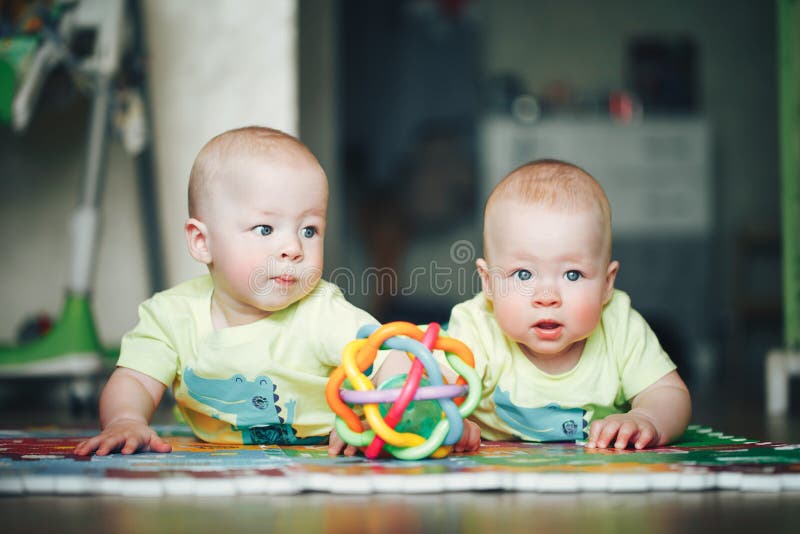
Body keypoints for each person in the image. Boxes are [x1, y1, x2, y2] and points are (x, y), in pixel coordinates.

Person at [75, 126, 392, 455]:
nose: (293, 248)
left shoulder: (322, 311)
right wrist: (125, 420)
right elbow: (136, 380)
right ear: (203, 242)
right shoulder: (173, 315)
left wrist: (383, 417)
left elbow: (391, 355)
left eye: (309, 230)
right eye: (265, 228)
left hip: (330, 445)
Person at [444, 159, 691, 450]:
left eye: (572, 274)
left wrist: (647, 417)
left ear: (606, 284)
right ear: (488, 282)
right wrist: (446, 421)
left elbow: (668, 392)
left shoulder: (619, 326)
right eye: (523, 274)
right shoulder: (477, 328)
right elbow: (429, 390)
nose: (547, 296)